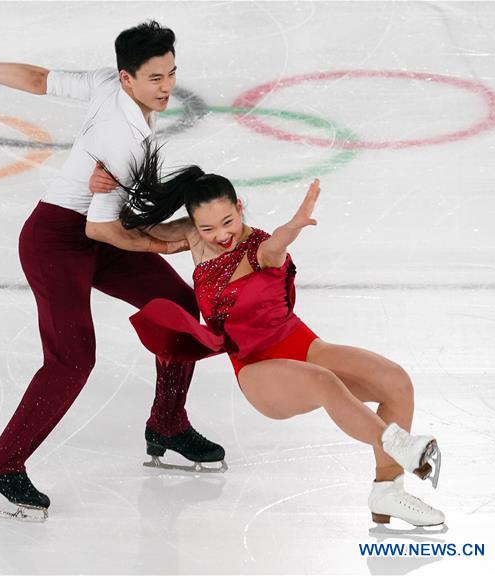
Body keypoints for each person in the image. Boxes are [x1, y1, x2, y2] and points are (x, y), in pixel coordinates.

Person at [0, 21, 226, 520]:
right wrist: (165, 244)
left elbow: (40, 78)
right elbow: (104, 233)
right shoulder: (121, 138)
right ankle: (1, 471)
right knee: (72, 359)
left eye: (171, 73)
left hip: (96, 228)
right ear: (127, 79)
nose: (167, 86)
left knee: (180, 309)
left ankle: (167, 425)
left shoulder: (110, 84)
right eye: (155, 78)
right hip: (58, 241)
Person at [94, 142, 444, 527]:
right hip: (257, 367)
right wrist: (105, 194)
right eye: (207, 228)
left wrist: (291, 228)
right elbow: (115, 233)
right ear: (194, 226)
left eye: (228, 221)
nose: (221, 235)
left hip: (302, 344)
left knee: (396, 381)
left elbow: (274, 248)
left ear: (239, 206)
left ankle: (388, 492)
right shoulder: (193, 240)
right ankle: (399, 446)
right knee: (324, 382)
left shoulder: (259, 246)